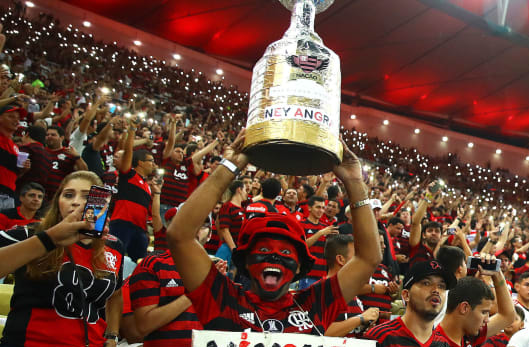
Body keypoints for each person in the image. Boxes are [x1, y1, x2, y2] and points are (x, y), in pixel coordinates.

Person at [167, 132, 380, 335]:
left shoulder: (314, 303)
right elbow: (180, 236)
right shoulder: (223, 298)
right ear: (247, 261)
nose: (274, 256)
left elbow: (369, 258)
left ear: (298, 266)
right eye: (264, 249)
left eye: (286, 251)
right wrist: (229, 167)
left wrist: (354, 183)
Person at [0, 170, 125, 347]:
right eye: (69, 195)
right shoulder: (30, 234)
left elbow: (115, 293)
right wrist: (50, 239)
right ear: (58, 201)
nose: (77, 202)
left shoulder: (115, 246)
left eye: (88, 196)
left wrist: (112, 337)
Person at [109, 121, 156, 262]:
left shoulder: (148, 186)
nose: (153, 164)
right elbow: (128, 151)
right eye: (150, 161)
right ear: (140, 162)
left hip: (140, 229)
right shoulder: (128, 175)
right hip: (123, 224)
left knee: (140, 265)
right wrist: (132, 130)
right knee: (113, 258)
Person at [44, 124, 87, 198]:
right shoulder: (42, 152)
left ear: (61, 138)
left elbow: (84, 171)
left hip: (60, 194)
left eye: (53, 135)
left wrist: (77, 157)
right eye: (47, 135)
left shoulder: (69, 153)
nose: (49, 137)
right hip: (42, 194)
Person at [0, 101, 26, 209]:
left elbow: (15, 175)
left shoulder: (15, 147)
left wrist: (23, 169)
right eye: (11, 117)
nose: (16, 120)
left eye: (18, 118)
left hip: (9, 195)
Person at [215, 179, 246, 262]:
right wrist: (234, 249)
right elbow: (225, 230)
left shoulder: (243, 208)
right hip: (228, 249)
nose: (246, 193)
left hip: (238, 249)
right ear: (239, 190)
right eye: (245, 190)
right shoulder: (227, 206)